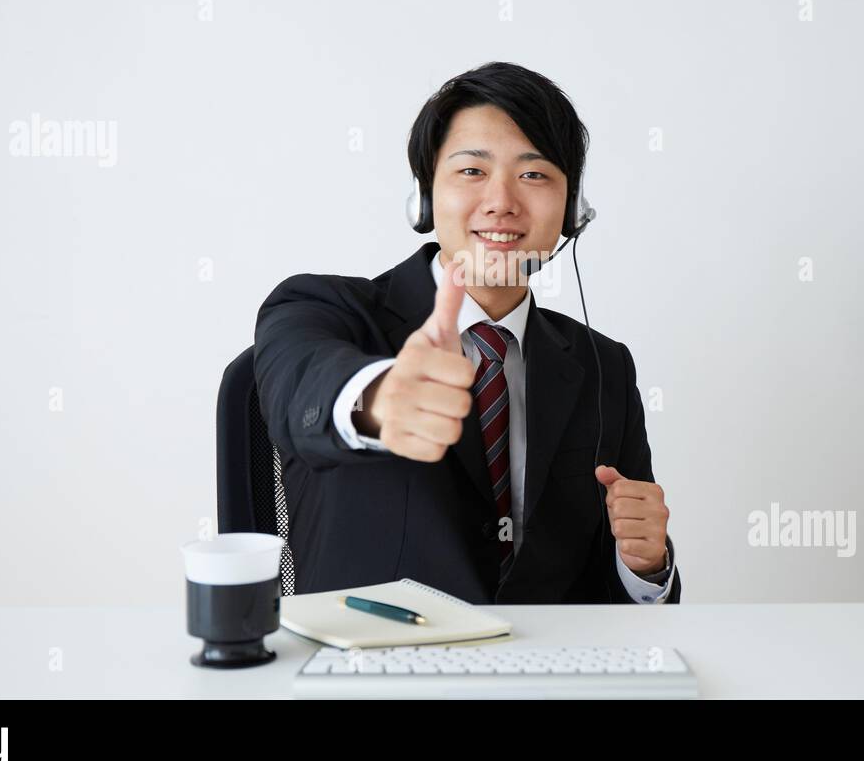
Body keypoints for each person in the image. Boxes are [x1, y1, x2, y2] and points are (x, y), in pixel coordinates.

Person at [253, 61, 680, 604]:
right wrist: (378, 400)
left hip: (543, 679)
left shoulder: (605, 366)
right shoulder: (322, 307)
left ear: (572, 209)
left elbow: (613, 602)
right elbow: (301, 391)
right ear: (425, 198)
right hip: (381, 670)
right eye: (472, 171)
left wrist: (645, 566)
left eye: (534, 174)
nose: (501, 201)